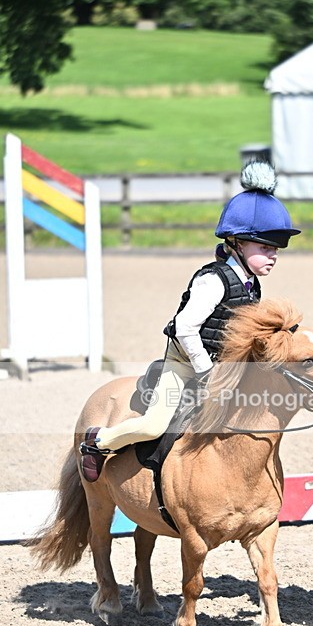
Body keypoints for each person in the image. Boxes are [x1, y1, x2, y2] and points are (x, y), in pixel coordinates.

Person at [79, 161, 300, 482]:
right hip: (184, 362)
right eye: (265, 248)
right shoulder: (213, 280)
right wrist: (205, 370)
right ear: (237, 243)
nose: (273, 256)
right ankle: (98, 442)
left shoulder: (252, 284)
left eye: (276, 249)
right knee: (154, 425)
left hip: (223, 368)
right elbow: (185, 328)